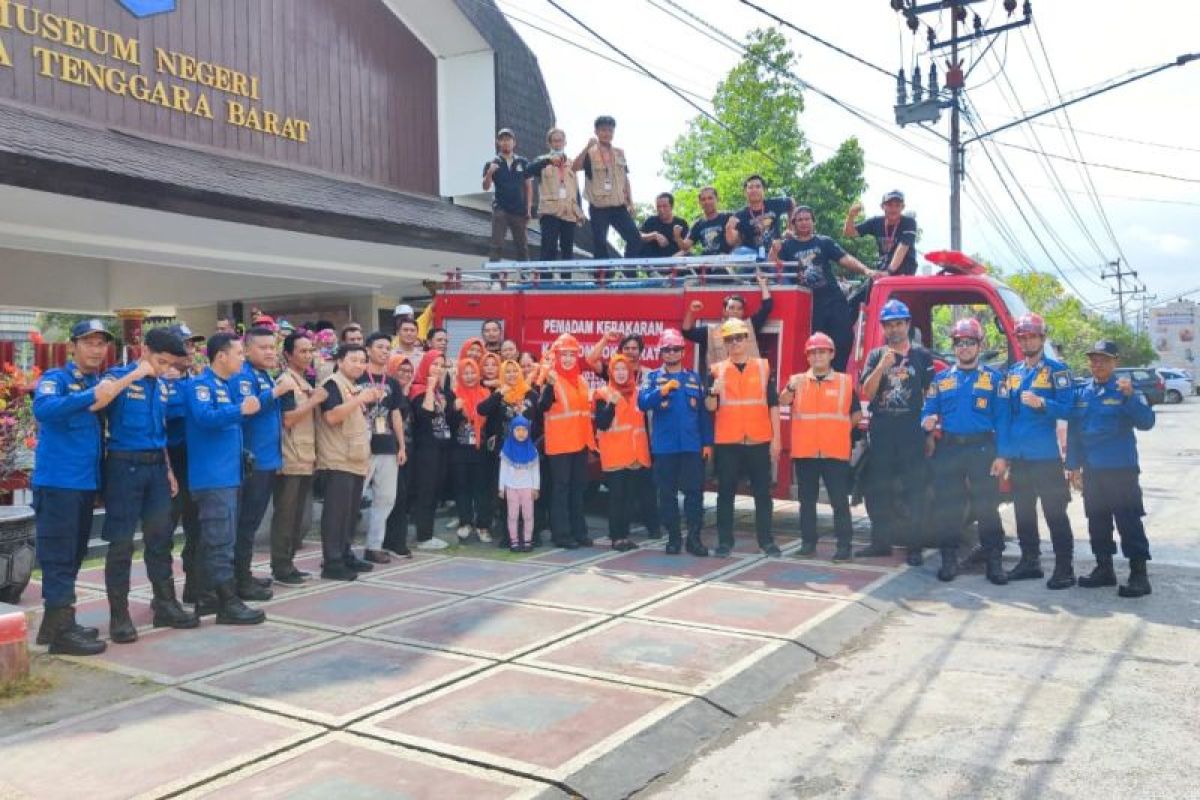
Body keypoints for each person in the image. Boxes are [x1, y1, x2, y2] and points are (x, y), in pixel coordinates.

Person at [101, 327, 197, 643]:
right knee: (122, 544)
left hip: (156, 467)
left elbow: (161, 433)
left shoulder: (163, 386)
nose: (163, 368)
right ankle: (119, 614)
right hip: (123, 467)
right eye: (159, 360)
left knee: (160, 538)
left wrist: (168, 470)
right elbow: (100, 400)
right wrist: (138, 373)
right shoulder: (119, 376)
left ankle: (166, 604)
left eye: (169, 363)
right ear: (144, 350)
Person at [31, 320, 116, 655]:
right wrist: (91, 395)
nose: (97, 349)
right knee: (58, 556)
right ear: (73, 346)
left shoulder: (99, 381)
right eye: (89, 342)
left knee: (75, 554)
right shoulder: (56, 379)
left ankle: (57, 624)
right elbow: (44, 409)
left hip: (83, 483)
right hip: (58, 483)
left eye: (101, 344)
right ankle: (61, 631)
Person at [184, 333, 267, 624]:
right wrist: (239, 409)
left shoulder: (224, 385)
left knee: (220, 540)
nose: (242, 359)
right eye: (239, 354)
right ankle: (227, 603)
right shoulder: (200, 385)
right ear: (221, 356)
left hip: (229, 473)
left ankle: (208, 597)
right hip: (212, 476)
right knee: (219, 541)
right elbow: (205, 418)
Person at [921, 318, 1009, 584]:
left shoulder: (994, 380)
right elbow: (928, 410)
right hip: (950, 449)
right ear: (954, 346)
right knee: (949, 506)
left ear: (979, 346)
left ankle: (994, 562)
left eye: (970, 342)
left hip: (983, 448)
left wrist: (1002, 455)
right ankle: (949, 560)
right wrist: (926, 421)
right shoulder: (941, 379)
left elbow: (1004, 420)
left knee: (987, 507)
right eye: (960, 343)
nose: (964, 348)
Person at [1066, 340, 1156, 598]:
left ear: (1115, 362)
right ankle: (1104, 569)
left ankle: (1139, 575)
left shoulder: (1127, 389)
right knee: (1097, 521)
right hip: (1093, 470)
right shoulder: (1082, 393)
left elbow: (1146, 422)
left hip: (1121, 469)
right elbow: (1074, 432)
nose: (1098, 364)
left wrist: (1129, 398)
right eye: (1094, 360)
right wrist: (1073, 466)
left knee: (1128, 521)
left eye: (1104, 360)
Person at [999, 314, 1077, 588]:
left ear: (1042, 338)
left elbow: (1070, 409)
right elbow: (1007, 417)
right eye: (1023, 336)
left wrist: (1043, 403)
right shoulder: (1014, 373)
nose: (1027, 340)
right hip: (1020, 459)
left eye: (1033, 336)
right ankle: (1030, 561)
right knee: (1023, 512)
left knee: (1055, 512)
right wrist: (1005, 454)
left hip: (1045, 457)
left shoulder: (1059, 371)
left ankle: (1065, 567)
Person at [859, 300, 935, 563]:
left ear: (908, 325)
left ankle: (915, 547)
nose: (894, 330)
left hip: (911, 431)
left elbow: (931, 397)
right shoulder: (875, 355)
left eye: (899, 324)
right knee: (878, 489)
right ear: (883, 327)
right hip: (882, 431)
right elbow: (867, 392)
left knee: (914, 490)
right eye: (889, 325)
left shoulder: (922, 357)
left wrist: (930, 434)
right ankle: (880, 543)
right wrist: (882, 366)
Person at [780, 333, 861, 561]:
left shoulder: (845, 382)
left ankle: (844, 547)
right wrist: (790, 387)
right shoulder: (797, 381)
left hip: (834, 452)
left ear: (831, 354)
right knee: (806, 502)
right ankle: (808, 544)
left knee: (838, 502)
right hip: (806, 452)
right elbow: (783, 401)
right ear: (807, 356)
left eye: (822, 351)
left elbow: (856, 414)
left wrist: (839, 429)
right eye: (813, 352)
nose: (817, 356)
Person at [706, 318, 782, 557]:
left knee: (762, 494)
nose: (735, 342)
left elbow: (773, 405)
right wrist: (712, 392)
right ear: (725, 343)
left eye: (739, 337)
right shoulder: (717, 371)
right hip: (728, 442)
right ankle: (725, 542)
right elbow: (710, 408)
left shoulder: (762, 367)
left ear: (747, 340)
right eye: (730, 339)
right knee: (725, 494)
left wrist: (776, 439)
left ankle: (766, 541)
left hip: (758, 440)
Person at [773, 206, 880, 372]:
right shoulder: (787, 246)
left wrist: (867, 270)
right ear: (793, 223)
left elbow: (845, 259)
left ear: (813, 222)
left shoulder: (824, 242)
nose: (804, 223)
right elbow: (772, 266)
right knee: (816, 344)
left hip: (833, 299)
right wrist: (774, 249)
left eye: (807, 219)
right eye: (799, 220)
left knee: (844, 337)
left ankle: (838, 374)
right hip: (808, 304)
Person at [233, 327, 297, 602]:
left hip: (269, 459)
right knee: (245, 524)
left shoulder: (264, 376)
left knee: (253, 521)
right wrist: (278, 391)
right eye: (263, 347)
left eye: (273, 347)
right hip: (252, 461)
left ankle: (244, 573)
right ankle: (239, 579)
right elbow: (245, 411)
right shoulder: (244, 376)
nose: (270, 352)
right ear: (247, 350)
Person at [639, 328, 711, 556]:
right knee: (667, 494)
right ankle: (673, 538)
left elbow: (702, 414)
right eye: (667, 350)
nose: (671, 353)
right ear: (661, 352)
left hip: (691, 446)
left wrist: (707, 442)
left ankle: (694, 538)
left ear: (683, 351)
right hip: (665, 447)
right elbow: (642, 403)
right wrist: (662, 391)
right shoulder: (653, 378)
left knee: (694, 494)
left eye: (675, 349)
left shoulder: (693, 378)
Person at [316, 345, 380, 580]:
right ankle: (332, 562)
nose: (359, 365)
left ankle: (344, 554)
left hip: (354, 458)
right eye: (353, 360)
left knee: (350, 512)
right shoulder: (332, 384)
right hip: (337, 459)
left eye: (363, 361)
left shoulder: (352, 386)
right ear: (340, 361)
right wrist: (360, 398)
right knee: (335, 513)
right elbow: (331, 416)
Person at [271, 332, 327, 584]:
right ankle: (281, 567)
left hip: (306, 456)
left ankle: (289, 563)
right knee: (286, 515)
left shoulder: (303, 380)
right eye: (302, 351)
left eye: (310, 350)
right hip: (290, 457)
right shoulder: (286, 381)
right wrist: (314, 400)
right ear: (288, 354)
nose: (308, 355)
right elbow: (288, 418)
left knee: (298, 516)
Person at [539, 334, 595, 549]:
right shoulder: (551, 380)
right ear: (556, 356)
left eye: (572, 354)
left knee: (578, 488)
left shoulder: (580, 380)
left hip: (579, 444)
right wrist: (549, 386)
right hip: (560, 445)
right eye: (564, 355)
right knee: (561, 490)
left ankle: (579, 532)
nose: (569, 359)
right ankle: (561, 535)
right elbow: (542, 407)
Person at [163, 324, 205, 608]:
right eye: (184, 345)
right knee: (163, 534)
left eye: (192, 345)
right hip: (169, 464)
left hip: (197, 464)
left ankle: (196, 588)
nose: (190, 350)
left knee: (198, 530)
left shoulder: (197, 380)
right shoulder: (160, 382)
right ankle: (163, 597)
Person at [594, 354, 653, 552]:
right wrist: (611, 403)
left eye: (624, 369)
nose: (620, 373)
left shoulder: (638, 392)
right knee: (616, 497)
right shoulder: (603, 393)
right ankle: (616, 536)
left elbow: (643, 423)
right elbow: (601, 423)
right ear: (611, 372)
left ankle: (625, 535)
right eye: (617, 369)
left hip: (635, 455)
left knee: (629, 498)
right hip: (615, 455)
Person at [480, 358, 541, 548]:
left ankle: (531, 536)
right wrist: (499, 393)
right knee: (508, 495)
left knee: (528, 495)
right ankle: (510, 537)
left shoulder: (530, 394)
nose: (512, 375)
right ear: (502, 374)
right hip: (505, 452)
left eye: (515, 371)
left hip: (526, 451)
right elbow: (482, 409)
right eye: (507, 372)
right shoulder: (499, 395)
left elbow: (536, 417)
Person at [359, 332, 408, 564]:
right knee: (353, 497)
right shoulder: (357, 377)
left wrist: (401, 446)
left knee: (386, 498)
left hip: (387, 445)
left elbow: (396, 414)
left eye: (388, 348)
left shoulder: (391, 382)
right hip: (361, 447)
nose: (385, 351)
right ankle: (340, 549)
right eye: (380, 347)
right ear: (368, 350)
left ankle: (374, 546)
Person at [573, 115, 640, 269]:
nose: (607, 133)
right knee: (600, 243)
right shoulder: (590, 152)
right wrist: (586, 147)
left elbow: (625, 178)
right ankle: (603, 278)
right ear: (596, 131)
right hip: (599, 207)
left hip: (618, 205)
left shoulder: (619, 152)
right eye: (603, 130)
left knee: (635, 238)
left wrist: (630, 202)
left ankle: (629, 272)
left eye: (610, 130)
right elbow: (574, 167)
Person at [409, 350, 454, 550]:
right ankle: (423, 536)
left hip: (441, 447)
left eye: (441, 365)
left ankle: (428, 533)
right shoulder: (419, 388)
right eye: (434, 364)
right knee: (426, 492)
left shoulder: (438, 391)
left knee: (435, 491)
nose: (437, 368)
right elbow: (424, 414)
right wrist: (429, 387)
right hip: (426, 449)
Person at [683, 274, 773, 369]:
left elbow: (767, 307)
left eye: (739, 309)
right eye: (731, 308)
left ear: (743, 312)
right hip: (721, 382)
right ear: (724, 311)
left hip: (747, 380)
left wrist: (763, 284)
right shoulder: (711, 331)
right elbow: (687, 332)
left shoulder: (750, 326)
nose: (735, 311)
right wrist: (691, 311)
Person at [528, 127, 584, 274]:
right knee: (549, 246)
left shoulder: (572, 163)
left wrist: (580, 210)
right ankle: (546, 281)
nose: (557, 143)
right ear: (549, 143)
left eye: (560, 140)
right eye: (554, 141)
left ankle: (567, 282)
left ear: (565, 142)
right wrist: (547, 160)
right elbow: (527, 171)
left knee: (568, 248)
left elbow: (575, 189)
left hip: (569, 211)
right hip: (550, 210)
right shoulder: (541, 160)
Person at [450, 356, 491, 542]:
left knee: (481, 488)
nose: (469, 376)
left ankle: (483, 526)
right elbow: (448, 423)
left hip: (481, 449)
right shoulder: (454, 393)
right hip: (459, 449)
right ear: (459, 374)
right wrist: (455, 409)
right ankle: (465, 522)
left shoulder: (486, 393)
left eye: (473, 372)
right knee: (462, 487)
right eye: (465, 373)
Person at [482, 127, 531, 262]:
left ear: (514, 142)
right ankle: (495, 279)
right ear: (498, 143)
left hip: (519, 210)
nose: (505, 142)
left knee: (522, 245)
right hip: (500, 209)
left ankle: (524, 275)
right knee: (497, 244)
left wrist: (528, 209)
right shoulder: (492, 162)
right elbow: (486, 187)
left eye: (508, 139)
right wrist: (490, 172)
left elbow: (528, 187)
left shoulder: (523, 162)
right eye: (502, 140)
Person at [843, 190, 918, 276]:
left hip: (904, 272)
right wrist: (851, 216)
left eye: (897, 205)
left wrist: (889, 272)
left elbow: (903, 247)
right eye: (889, 205)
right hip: (883, 269)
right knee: (862, 289)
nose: (893, 209)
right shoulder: (876, 222)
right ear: (882, 207)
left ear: (903, 207)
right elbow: (849, 232)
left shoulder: (909, 222)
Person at [498, 416, 540, 552]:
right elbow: (503, 470)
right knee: (512, 515)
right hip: (511, 488)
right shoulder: (506, 450)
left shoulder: (532, 450)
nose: (521, 433)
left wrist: (536, 488)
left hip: (527, 488)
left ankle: (528, 541)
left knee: (528, 515)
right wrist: (501, 488)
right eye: (518, 430)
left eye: (524, 430)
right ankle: (514, 541)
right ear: (512, 431)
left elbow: (536, 471)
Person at [725, 175, 793, 260]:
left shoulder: (774, 204)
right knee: (737, 252)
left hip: (774, 252)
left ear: (764, 190)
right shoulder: (740, 215)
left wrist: (790, 228)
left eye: (758, 187)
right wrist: (728, 229)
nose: (754, 190)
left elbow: (791, 203)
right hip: (752, 255)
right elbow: (732, 242)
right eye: (750, 187)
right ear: (745, 192)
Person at [680, 186, 732, 257]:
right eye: (703, 199)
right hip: (706, 262)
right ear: (699, 203)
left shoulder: (729, 217)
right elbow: (686, 247)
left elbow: (739, 240)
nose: (707, 202)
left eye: (710, 198)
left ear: (717, 199)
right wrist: (677, 237)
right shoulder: (698, 223)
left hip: (726, 261)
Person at [639, 192, 689, 260]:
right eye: (658, 206)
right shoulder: (651, 221)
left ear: (671, 207)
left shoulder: (681, 223)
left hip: (676, 263)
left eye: (664, 206)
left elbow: (687, 248)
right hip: (653, 264)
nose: (661, 210)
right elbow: (638, 236)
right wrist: (654, 235)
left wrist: (672, 259)